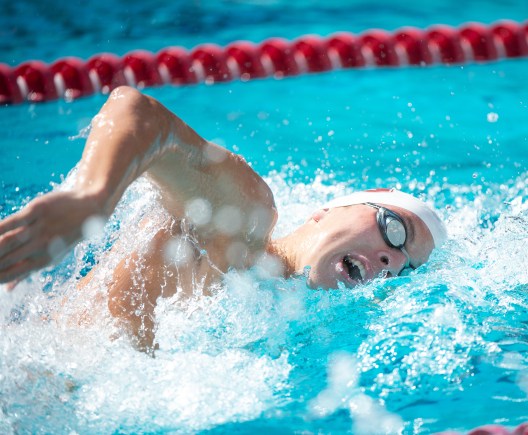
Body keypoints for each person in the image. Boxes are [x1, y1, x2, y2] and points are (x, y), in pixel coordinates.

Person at [0, 86, 446, 351]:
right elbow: (138, 112)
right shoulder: (245, 221)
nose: (391, 260)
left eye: (404, 267)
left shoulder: (280, 323)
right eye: (395, 230)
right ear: (330, 209)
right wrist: (92, 198)